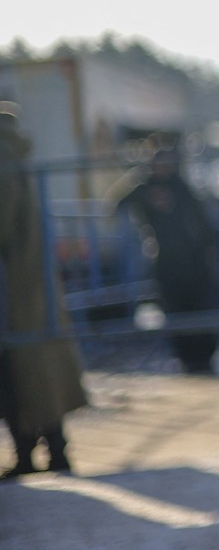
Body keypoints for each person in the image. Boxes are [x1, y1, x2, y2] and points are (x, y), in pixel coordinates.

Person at [0, 102, 88, 479]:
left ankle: (32, 452)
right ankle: (52, 449)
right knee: (35, 364)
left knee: (18, 366)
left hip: (11, 279)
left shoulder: (2, 155)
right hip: (25, 278)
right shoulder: (12, 150)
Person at [115, 146, 219, 375]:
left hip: (193, 261)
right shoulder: (145, 189)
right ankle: (186, 356)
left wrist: (208, 251)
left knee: (200, 309)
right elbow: (119, 204)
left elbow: (202, 223)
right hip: (166, 262)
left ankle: (205, 355)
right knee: (175, 312)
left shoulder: (183, 189)